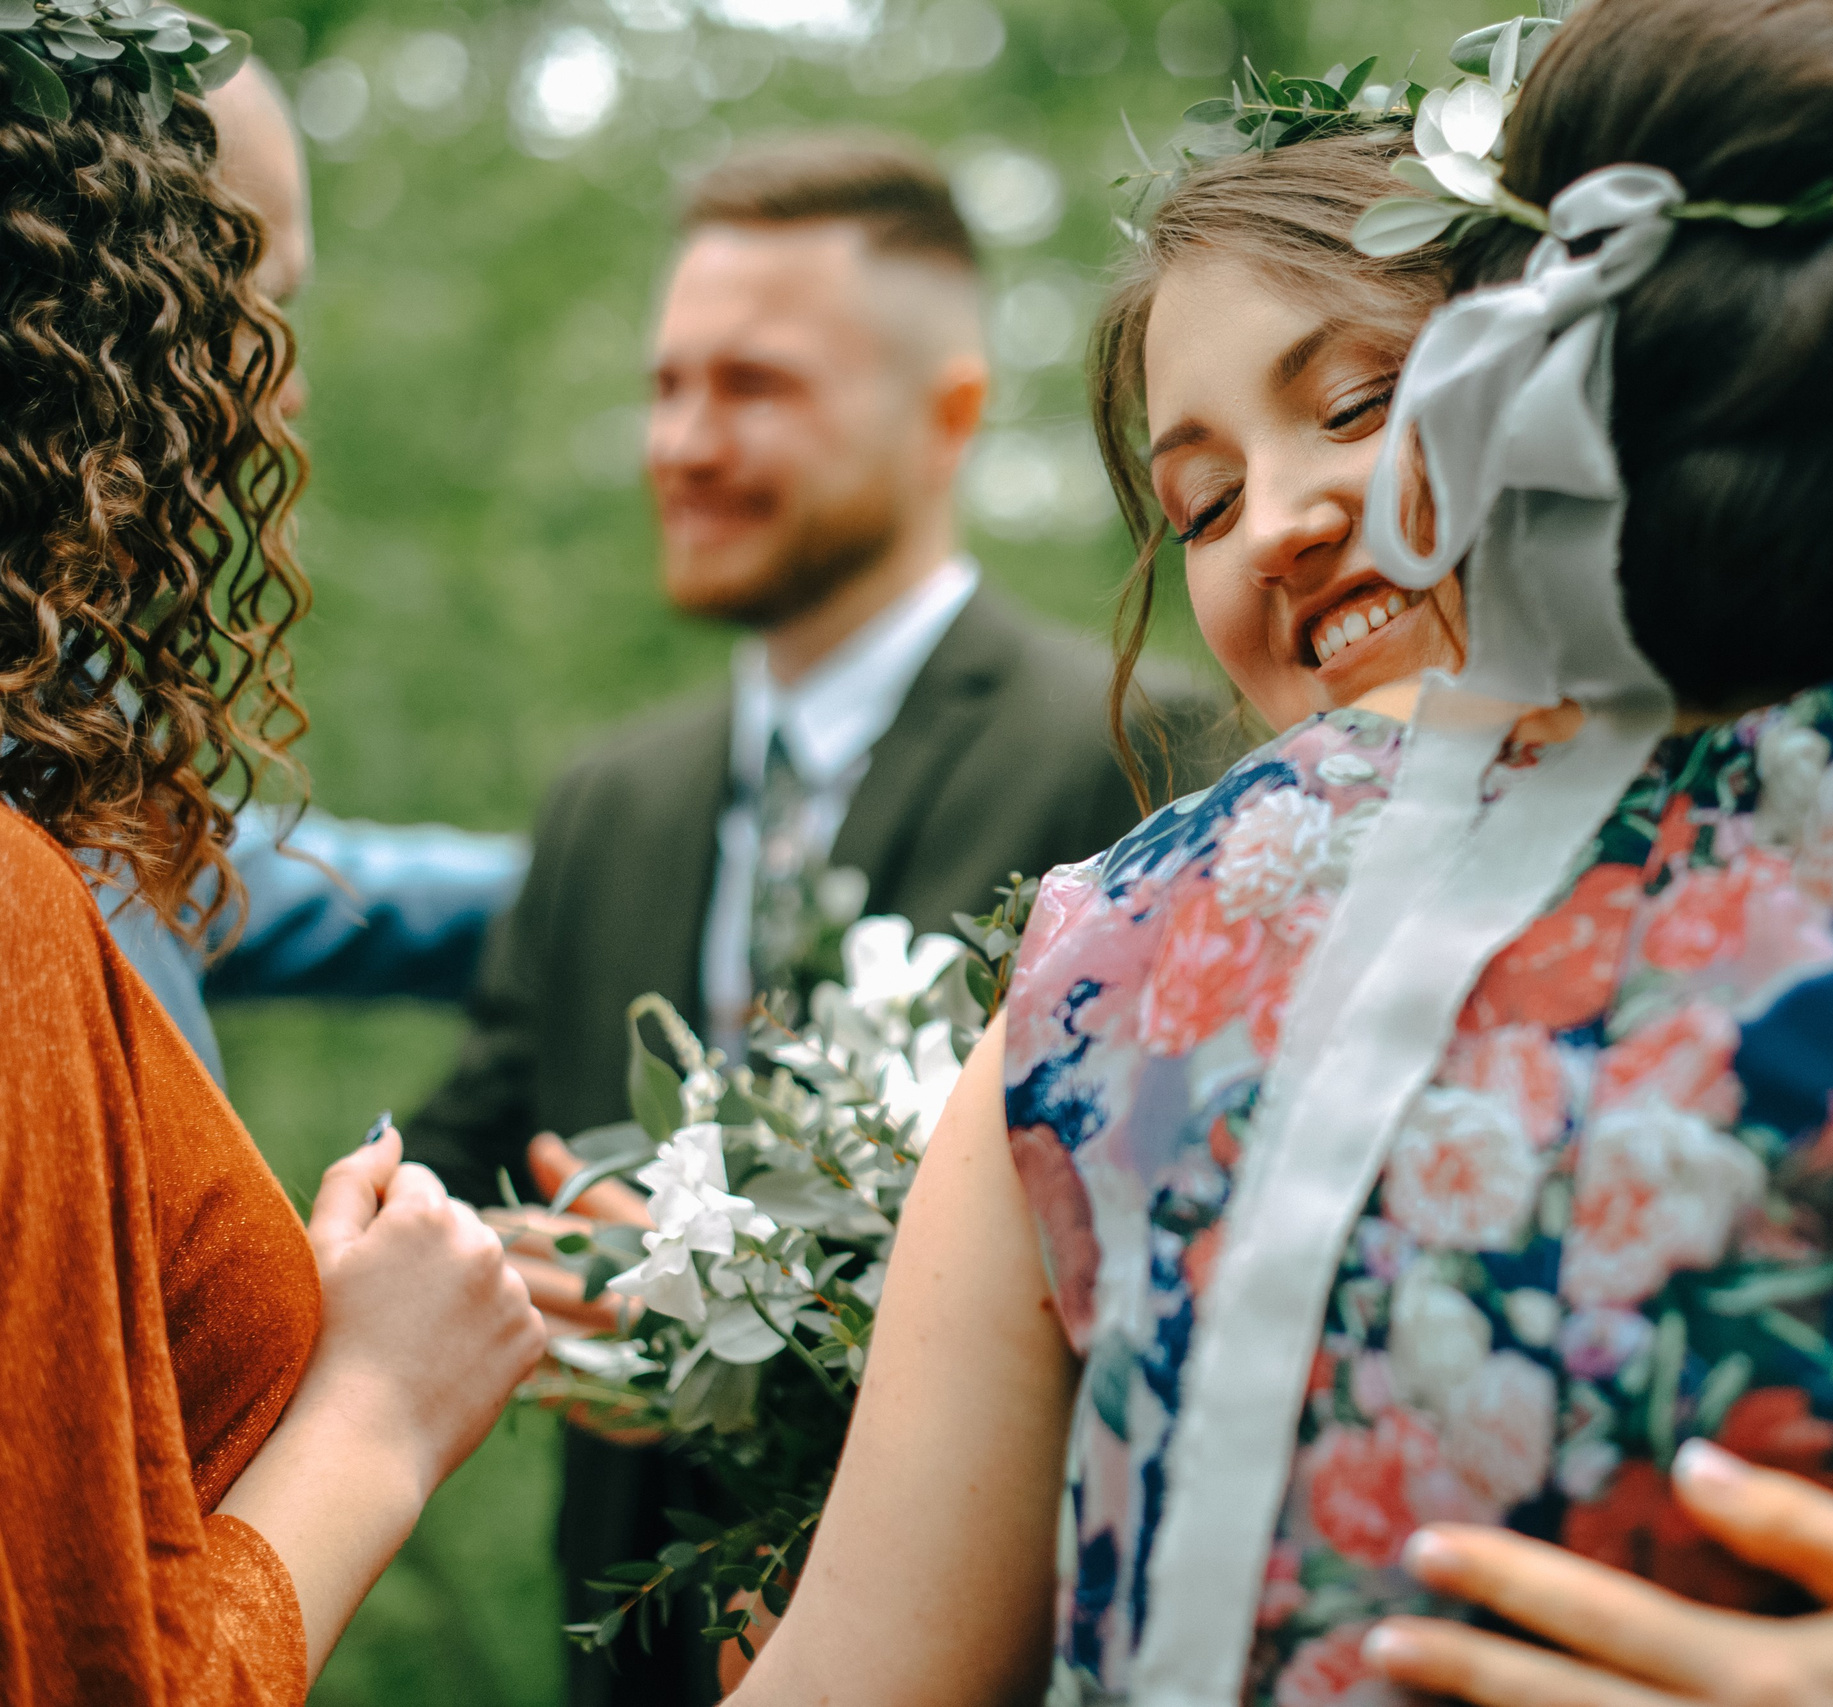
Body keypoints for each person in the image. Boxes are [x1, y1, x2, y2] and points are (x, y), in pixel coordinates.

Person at [713, 2, 1833, 1704]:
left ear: (1508, 384)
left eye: (1362, 401)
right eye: (1197, 500)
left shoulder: (1111, 958)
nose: (1285, 520)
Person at [397, 130, 1221, 1705]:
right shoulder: (603, 802)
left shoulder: (1138, 751)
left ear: (949, 412)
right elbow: (470, 1154)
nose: (682, 440)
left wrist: (736, 1304)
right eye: (667, 384)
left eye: (753, 386)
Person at [0, 18, 547, 1700]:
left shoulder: (61, 740)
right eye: (263, 295)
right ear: (106, 314)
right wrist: (382, 1403)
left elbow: (257, 880)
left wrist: (627, 862)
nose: (290, 381)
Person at [81, 62, 528, 1087]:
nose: (289, 391)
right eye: (262, 304)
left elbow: (200, 877)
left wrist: (592, 875)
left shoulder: (56, 687)